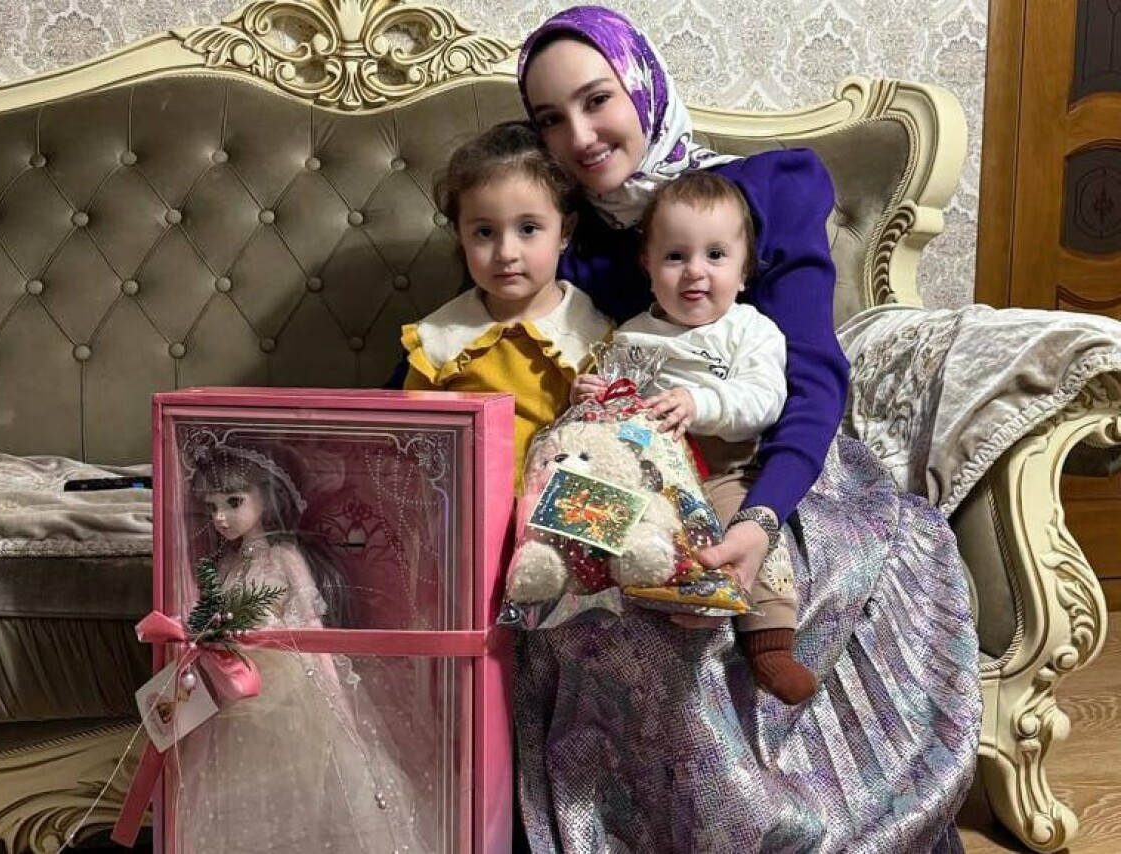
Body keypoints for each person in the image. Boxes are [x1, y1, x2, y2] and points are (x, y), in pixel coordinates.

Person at [511, 7, 981, 852]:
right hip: (652, 476)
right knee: (609, 604)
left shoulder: (766, 191)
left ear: (642, 87)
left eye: (596, 99)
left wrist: (763, 518)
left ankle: (792, 824)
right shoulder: (565, 243)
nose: (578, 137)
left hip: (775, 465)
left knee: (782, 587)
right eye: (550, 119)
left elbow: (808, 379)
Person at [573, 170, 814, 705]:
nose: (695, 272)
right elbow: (614, 410)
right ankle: (680, 596)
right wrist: (592, 394)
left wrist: (700, 403)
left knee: (747, 527)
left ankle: (771, 640)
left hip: (725, 466)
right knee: (629, 530)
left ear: (744, 270)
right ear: (647, 265)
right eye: (675, 256)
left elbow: (763, 400)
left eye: (716, 255)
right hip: (653, 475)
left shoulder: (750, 330)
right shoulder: (632, 335)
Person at [173, 438, 432, 853]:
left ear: (266, 498)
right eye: (212, 507)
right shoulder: (224, 565)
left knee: (310, 777)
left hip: (288, 689)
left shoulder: (284, 557)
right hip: (233, 693)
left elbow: (310, 627)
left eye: (234, 502)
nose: (220, 517)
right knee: (244, 783)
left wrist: (337, 697)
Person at [401, 121, 613, 486]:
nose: (506, 253)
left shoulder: (593, 335)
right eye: (484, 232)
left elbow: (610, 443)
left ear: (565, 231)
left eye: (528, 229)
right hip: (462, 503)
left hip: (561, 506)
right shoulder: (439, 342)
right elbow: (411, 441)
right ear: (460, 235)